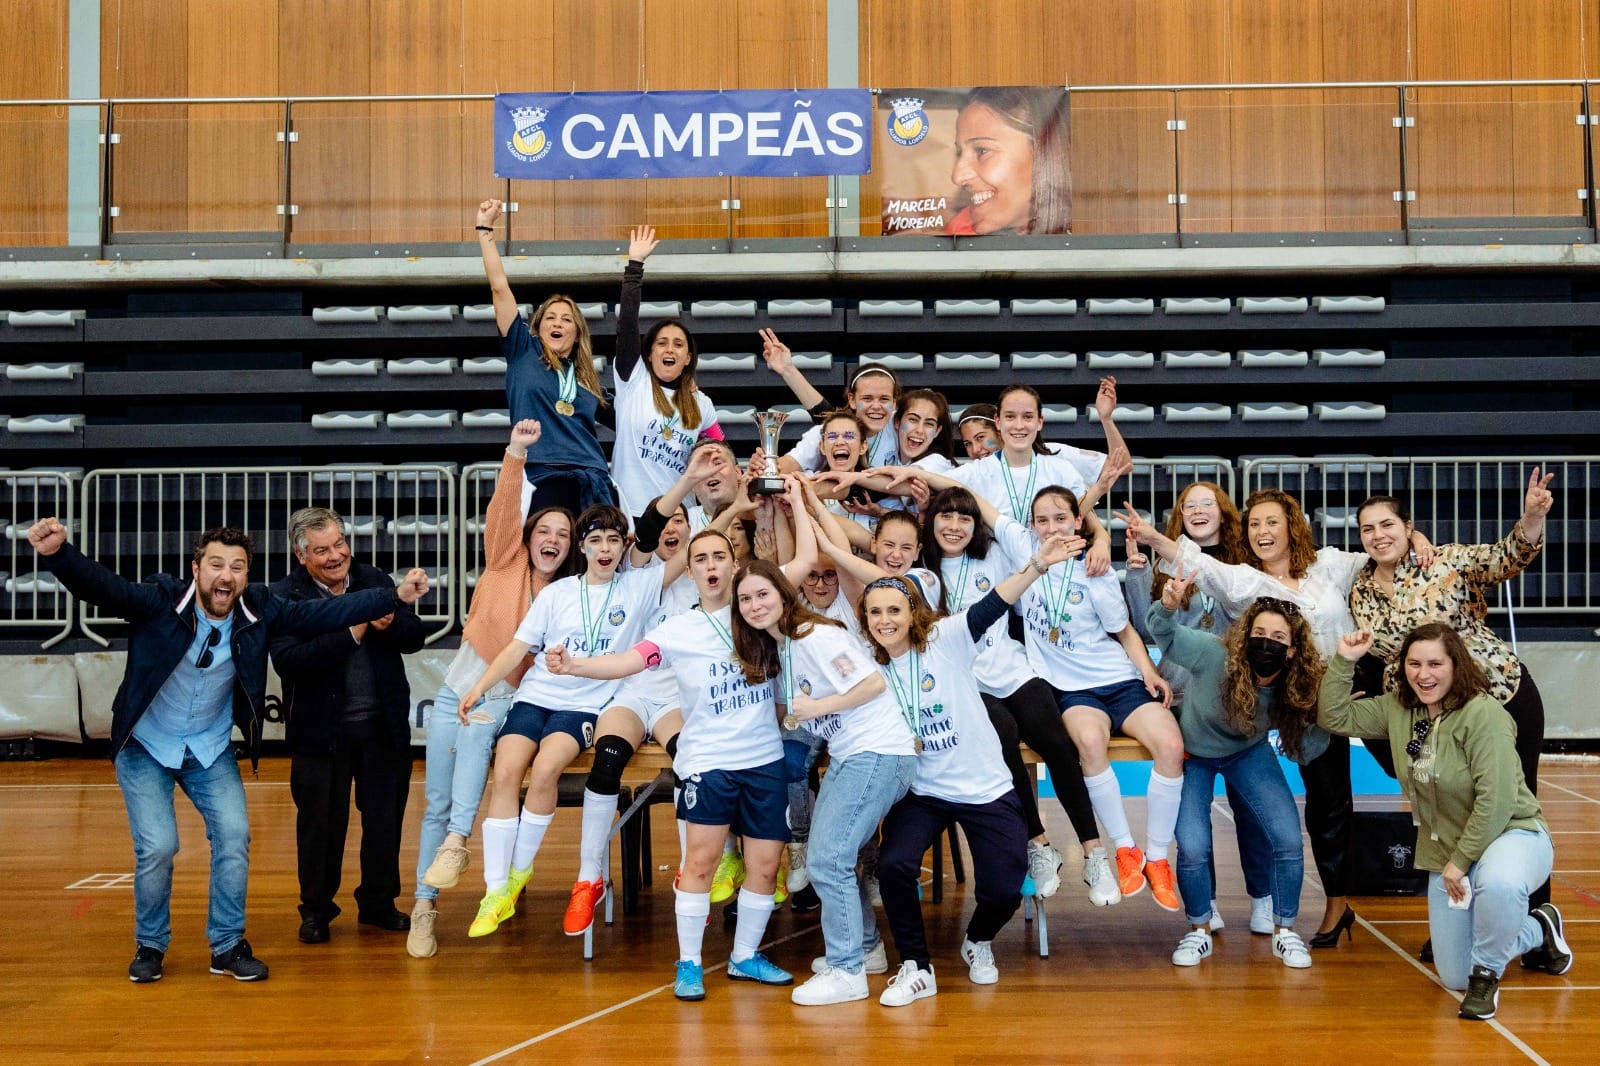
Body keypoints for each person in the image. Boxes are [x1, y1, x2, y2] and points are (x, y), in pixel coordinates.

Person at [27, 517, 428, 984]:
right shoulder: (160, 601)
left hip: (209, 747)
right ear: (196, 569)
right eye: (216, 565)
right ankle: (151, 945)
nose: (227, 576)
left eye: (237, 567)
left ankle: (227, 945)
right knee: (159, 847)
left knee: (235, 838)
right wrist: (59, 554)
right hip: (147, 745)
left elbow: (319, 616)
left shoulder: (259, 607)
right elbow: (106, 589)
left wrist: (392, 597)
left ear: (247, 575)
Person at [1117, 487, 1433, 943]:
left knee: (1418, 776)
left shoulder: (1328, 566)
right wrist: (1151, 537)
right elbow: (1199, 565)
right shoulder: (1244, 582)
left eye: (1272, 522)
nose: (1263, 531)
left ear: (1292, 526)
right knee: (1327, 807)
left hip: (1358, 689)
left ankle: (1449, 880)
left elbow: (1380, 547)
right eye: (1254, 524)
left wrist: (1417, 537)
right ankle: (1335, 904)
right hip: (1303, 706)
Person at [548, 514, 817, 1002]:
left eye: (719, 557)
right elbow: (628, 661)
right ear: (688, 571)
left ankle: (744, 957)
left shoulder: (759, 612)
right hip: (708, 762)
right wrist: (575, 666)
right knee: (701, 861)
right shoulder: (678, 630)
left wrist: (800, 501)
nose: (710, 566)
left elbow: (805, 562)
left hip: (763, 761)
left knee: (763, 864)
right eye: (700, 559)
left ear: (735, 565)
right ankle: (689, 962)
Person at [865, 531, 1082, 1006]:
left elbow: (993, 604)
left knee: (1005, 887)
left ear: (914, 614)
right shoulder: (869, 665)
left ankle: (978, 940)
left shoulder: (946, 639)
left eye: (894, 610)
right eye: (875, 612)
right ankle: (916, 967)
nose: (885, 621)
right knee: (896, 864)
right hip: (922, 792)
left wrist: (1037, 566)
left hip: (985, 788)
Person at [454, 499, 689, 939]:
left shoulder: (638, 586)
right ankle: (495, 891)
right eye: (595, 540)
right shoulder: (558, 594)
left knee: (545, 768)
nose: (605, 549)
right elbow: (517, 647)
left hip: (584, 705)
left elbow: (689, 552)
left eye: (613, 541)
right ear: (582, 547)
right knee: (506, 772)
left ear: (624, 547)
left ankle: (519, 874)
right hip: (535, 696)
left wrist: (717, 499)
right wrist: (479, 686)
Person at [1319, 624, 1572, 1020]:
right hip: (1448, 852)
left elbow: (1498, 799)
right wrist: (1344, 661)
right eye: (1414, 664)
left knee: (1499, 884)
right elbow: (1334, 716)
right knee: (1454, 974)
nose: (1424, 674)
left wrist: (1460, 861)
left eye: (1435, 663)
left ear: (1456, 666)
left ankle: (1487, 976)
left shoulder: (1484, 714)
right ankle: (1540, 926)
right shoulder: (1398, 709)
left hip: (1513, 834)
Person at [408, 421, 580, 959]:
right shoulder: (504, 562)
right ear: (529, 536)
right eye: (544, 530)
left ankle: (460, 842)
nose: (551, 540)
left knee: (480, 738)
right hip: (458, 687)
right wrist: (515, 455)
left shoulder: (572, 594)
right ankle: (424, 906)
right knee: (434, 802)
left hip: (504, 699)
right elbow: (502, 512)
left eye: (563, 534)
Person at [561, 447, 749, 938]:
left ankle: (699, 868)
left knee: (691, 762)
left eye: (682, 523)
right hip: (630, 691)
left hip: (675, 700)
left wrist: (738, 507)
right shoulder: (639, 573)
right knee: (607, 760)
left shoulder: (703, 578)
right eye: (667, 522)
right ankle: (589, 878)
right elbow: (646, 528)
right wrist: (686, 485)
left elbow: (714, 541)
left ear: (694, 535)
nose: (672, 529)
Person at [1348, 470, 1554, 907]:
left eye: (1388, 524)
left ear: (1408, 527)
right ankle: (1458, 918)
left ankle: (1535, 918)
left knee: (1514, 811)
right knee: (1443, 805)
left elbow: (1505, 559)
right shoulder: (1360, 590)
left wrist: (1532, 517)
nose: (1378, 535)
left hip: (1500, 697)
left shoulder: (1445, 560)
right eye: (1368, 528)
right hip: (1428, 716)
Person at [915, 484, 1113, 904]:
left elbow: (1058, 527)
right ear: (929, 523)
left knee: (1057, 742)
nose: (954, 526)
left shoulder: (997, 554)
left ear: (975, 524)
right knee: (1002, 742)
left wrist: (1103, 535)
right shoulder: (921, 573)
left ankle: (1094, 853)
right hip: (967, 683)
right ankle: (1039, 845)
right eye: (945, 517)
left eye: (964, 518)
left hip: (1013, 668)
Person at [727, 557, 908, 1005]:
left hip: (877, 751)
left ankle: (846, 971)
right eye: (745, 599)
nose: (754, 605)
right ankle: (865, 952)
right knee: (832, 858)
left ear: (784, 594)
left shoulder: (813, 635)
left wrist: (815, 709)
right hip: (853, 755)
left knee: (827, 859)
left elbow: (871, 685)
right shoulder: (784, 646)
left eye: (762, 594)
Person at [268, 507, 427, 945]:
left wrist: (392, 621)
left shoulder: (373, 579)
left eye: (340, 544)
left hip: (382, 729)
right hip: (320, 734)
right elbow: (289, 661)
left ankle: (378, 904)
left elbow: (415, 637)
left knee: (384, 821)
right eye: (323, 550)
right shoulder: (284, 596)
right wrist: (354, 630)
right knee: (320, 826)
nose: (336, 555)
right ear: (301, 556)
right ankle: (316, 911)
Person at [1147, 574, 1322, 970]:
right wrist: (1169, 604)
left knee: (1288, 838)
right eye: (1259, 632)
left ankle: (1285, 931)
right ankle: (1198, 930)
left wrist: (1325, 716)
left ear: (1293, 652)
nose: (1267, 643)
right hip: (1193, 755)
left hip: (1248, 752)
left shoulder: (1294, 685)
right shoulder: (1213, 654)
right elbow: (1164, 634)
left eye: (1278, 638)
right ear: (1245, 635)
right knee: (1192, 845)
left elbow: (1308, 751)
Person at [1125, 480, 1275, 933]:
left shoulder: (1246, 566)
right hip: (1183, 703)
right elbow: (1144, 629)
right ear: (1180, 517)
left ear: (1224, 511)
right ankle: (1204, 903)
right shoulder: (1162, 564)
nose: (1197, 510)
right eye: (1188, 505)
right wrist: (1135, 573)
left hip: (1235, 700)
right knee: (1193, 817)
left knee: (1251, 811)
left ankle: (1263, 900)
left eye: (1207, 503)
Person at [475, 197, 614, 513]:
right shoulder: (524, 350)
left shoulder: (587, 378)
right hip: (542, 473)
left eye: (567, 319)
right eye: (550, 317)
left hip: (592, 475)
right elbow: (499, 288)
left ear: (577, 333)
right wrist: (485, 229)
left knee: (595, 560)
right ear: (537, 326)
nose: (558, 323)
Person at [609, 224, 724, 521]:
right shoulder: (633, 382)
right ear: (649, 354)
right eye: (661, 343)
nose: (669, 350)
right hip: (630, 513)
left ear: (688, 358)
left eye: (677, 345)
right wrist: (635, 268)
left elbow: (719, 452)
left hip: (678, 520)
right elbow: (627, 325)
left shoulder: (702, 405)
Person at [762, 331, 900, 474]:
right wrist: (764, 467)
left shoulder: (902, 425)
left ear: (894, 403)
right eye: (867, 398)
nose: (876, 406)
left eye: (884, 399)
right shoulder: (826, 432)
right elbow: (785, 466)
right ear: (852, 400)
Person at [947, 85, 1071, 236]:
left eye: (982, 151)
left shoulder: (1092, 236)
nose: (957, 177)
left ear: (1044, 154)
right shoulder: (959, 233)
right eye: (959, 153)